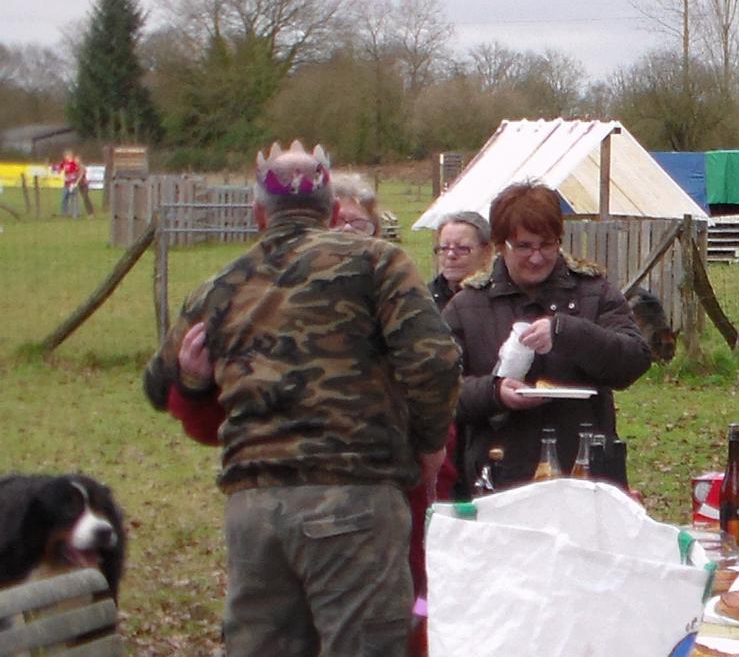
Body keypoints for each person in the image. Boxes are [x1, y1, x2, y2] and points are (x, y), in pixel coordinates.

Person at [143, 140, 461, 656]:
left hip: (255, 509)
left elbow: (158, 384)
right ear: (333, 212)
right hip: (354, 497)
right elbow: (435, 360)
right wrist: (429, 446)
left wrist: (194, 380)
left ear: (258, 215)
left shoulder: (220, 287)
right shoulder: (377, 264)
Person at [441, 181, 652, 489]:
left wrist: (568, 332)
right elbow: (438, 393)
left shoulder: (594, 292)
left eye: (547, 245)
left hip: (584, 475)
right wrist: (495, 393)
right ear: (499, 245)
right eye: (524, 246)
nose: (536, 257)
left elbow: (634, 361)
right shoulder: (467, 306)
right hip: (499, 479)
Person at [430, 211, 495, 309]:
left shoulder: (499, 299)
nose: (451, 255)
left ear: (486, 252)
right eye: (444, 248)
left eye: (462, 248)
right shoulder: (423, 299)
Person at [55, 150, 81, 217]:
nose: (65, 157)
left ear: (70, 156)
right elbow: (59, 168)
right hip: (66, 184)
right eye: (65, 156)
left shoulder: (74, 164)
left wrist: (73, 181)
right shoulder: (64, 163)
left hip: (73, 184)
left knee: (74, 199)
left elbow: (76, 173)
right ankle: (64, 213)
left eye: (67, 155)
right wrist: (57, 170)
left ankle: (75, 214)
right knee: (64, 198)